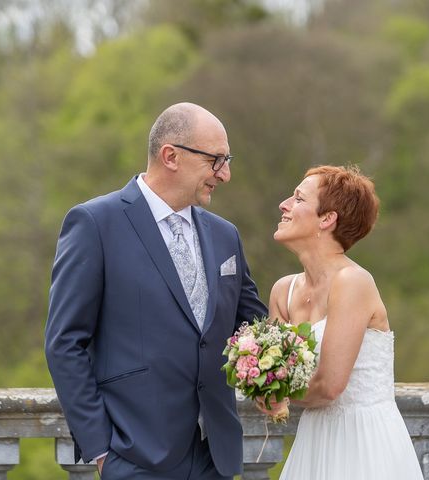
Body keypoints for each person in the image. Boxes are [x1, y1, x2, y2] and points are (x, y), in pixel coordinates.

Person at [45, 102, 267, 480]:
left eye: (227, 160)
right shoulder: (95, 223)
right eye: (216, 160)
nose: (225, 174)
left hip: (216, 456)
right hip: (135, 457)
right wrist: (101, 449)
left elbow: (254, 328)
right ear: (171, 156)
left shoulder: (225, 235)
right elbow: (64, 342)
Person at [263, 165, 423, 479]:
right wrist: (258, 380)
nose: (284, 204)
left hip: (363, 442)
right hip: (313, 439)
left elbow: (329, 386)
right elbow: (275, 372)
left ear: (327, 218)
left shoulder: (354, 282)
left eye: (298, 199)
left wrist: (278, 394)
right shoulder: (283, 290)